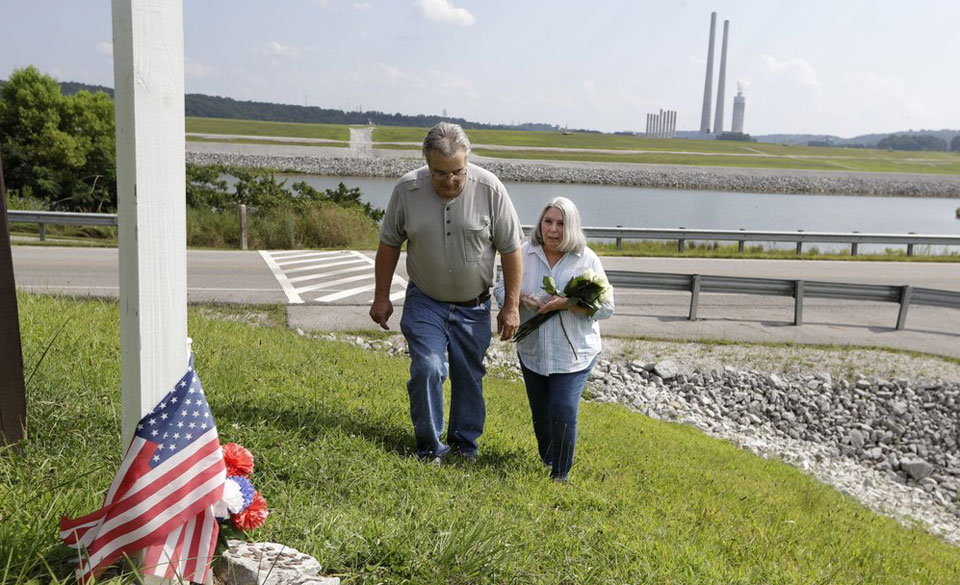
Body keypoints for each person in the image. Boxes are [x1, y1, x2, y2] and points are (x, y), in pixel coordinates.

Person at [370, 122, 523, 462]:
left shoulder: (490, 189)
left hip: (475, 305)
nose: (450, 180)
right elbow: (389, 244)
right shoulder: (407, 190)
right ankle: (429, 447)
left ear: (467, 163)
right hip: (426, 301)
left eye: (458, 172)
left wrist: (509, 306)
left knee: (469, 376)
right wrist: (381, 295)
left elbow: (512, 250)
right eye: (440, 173)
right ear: (427, 163)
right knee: (427, 367)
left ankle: (464, 445)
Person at [494, 196, 614, 481]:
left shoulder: (586, 259)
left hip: (574, 354)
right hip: (533, 350)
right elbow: (500, 291)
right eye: (548, 222)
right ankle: (549, 456)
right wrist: (519, 298)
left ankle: (560, 474)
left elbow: (607, 307)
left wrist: (567, 303)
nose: (553, 230)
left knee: (562, 409)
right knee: (541, 413)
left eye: (561, 224)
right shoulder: (523, 252)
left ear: (571, 227)